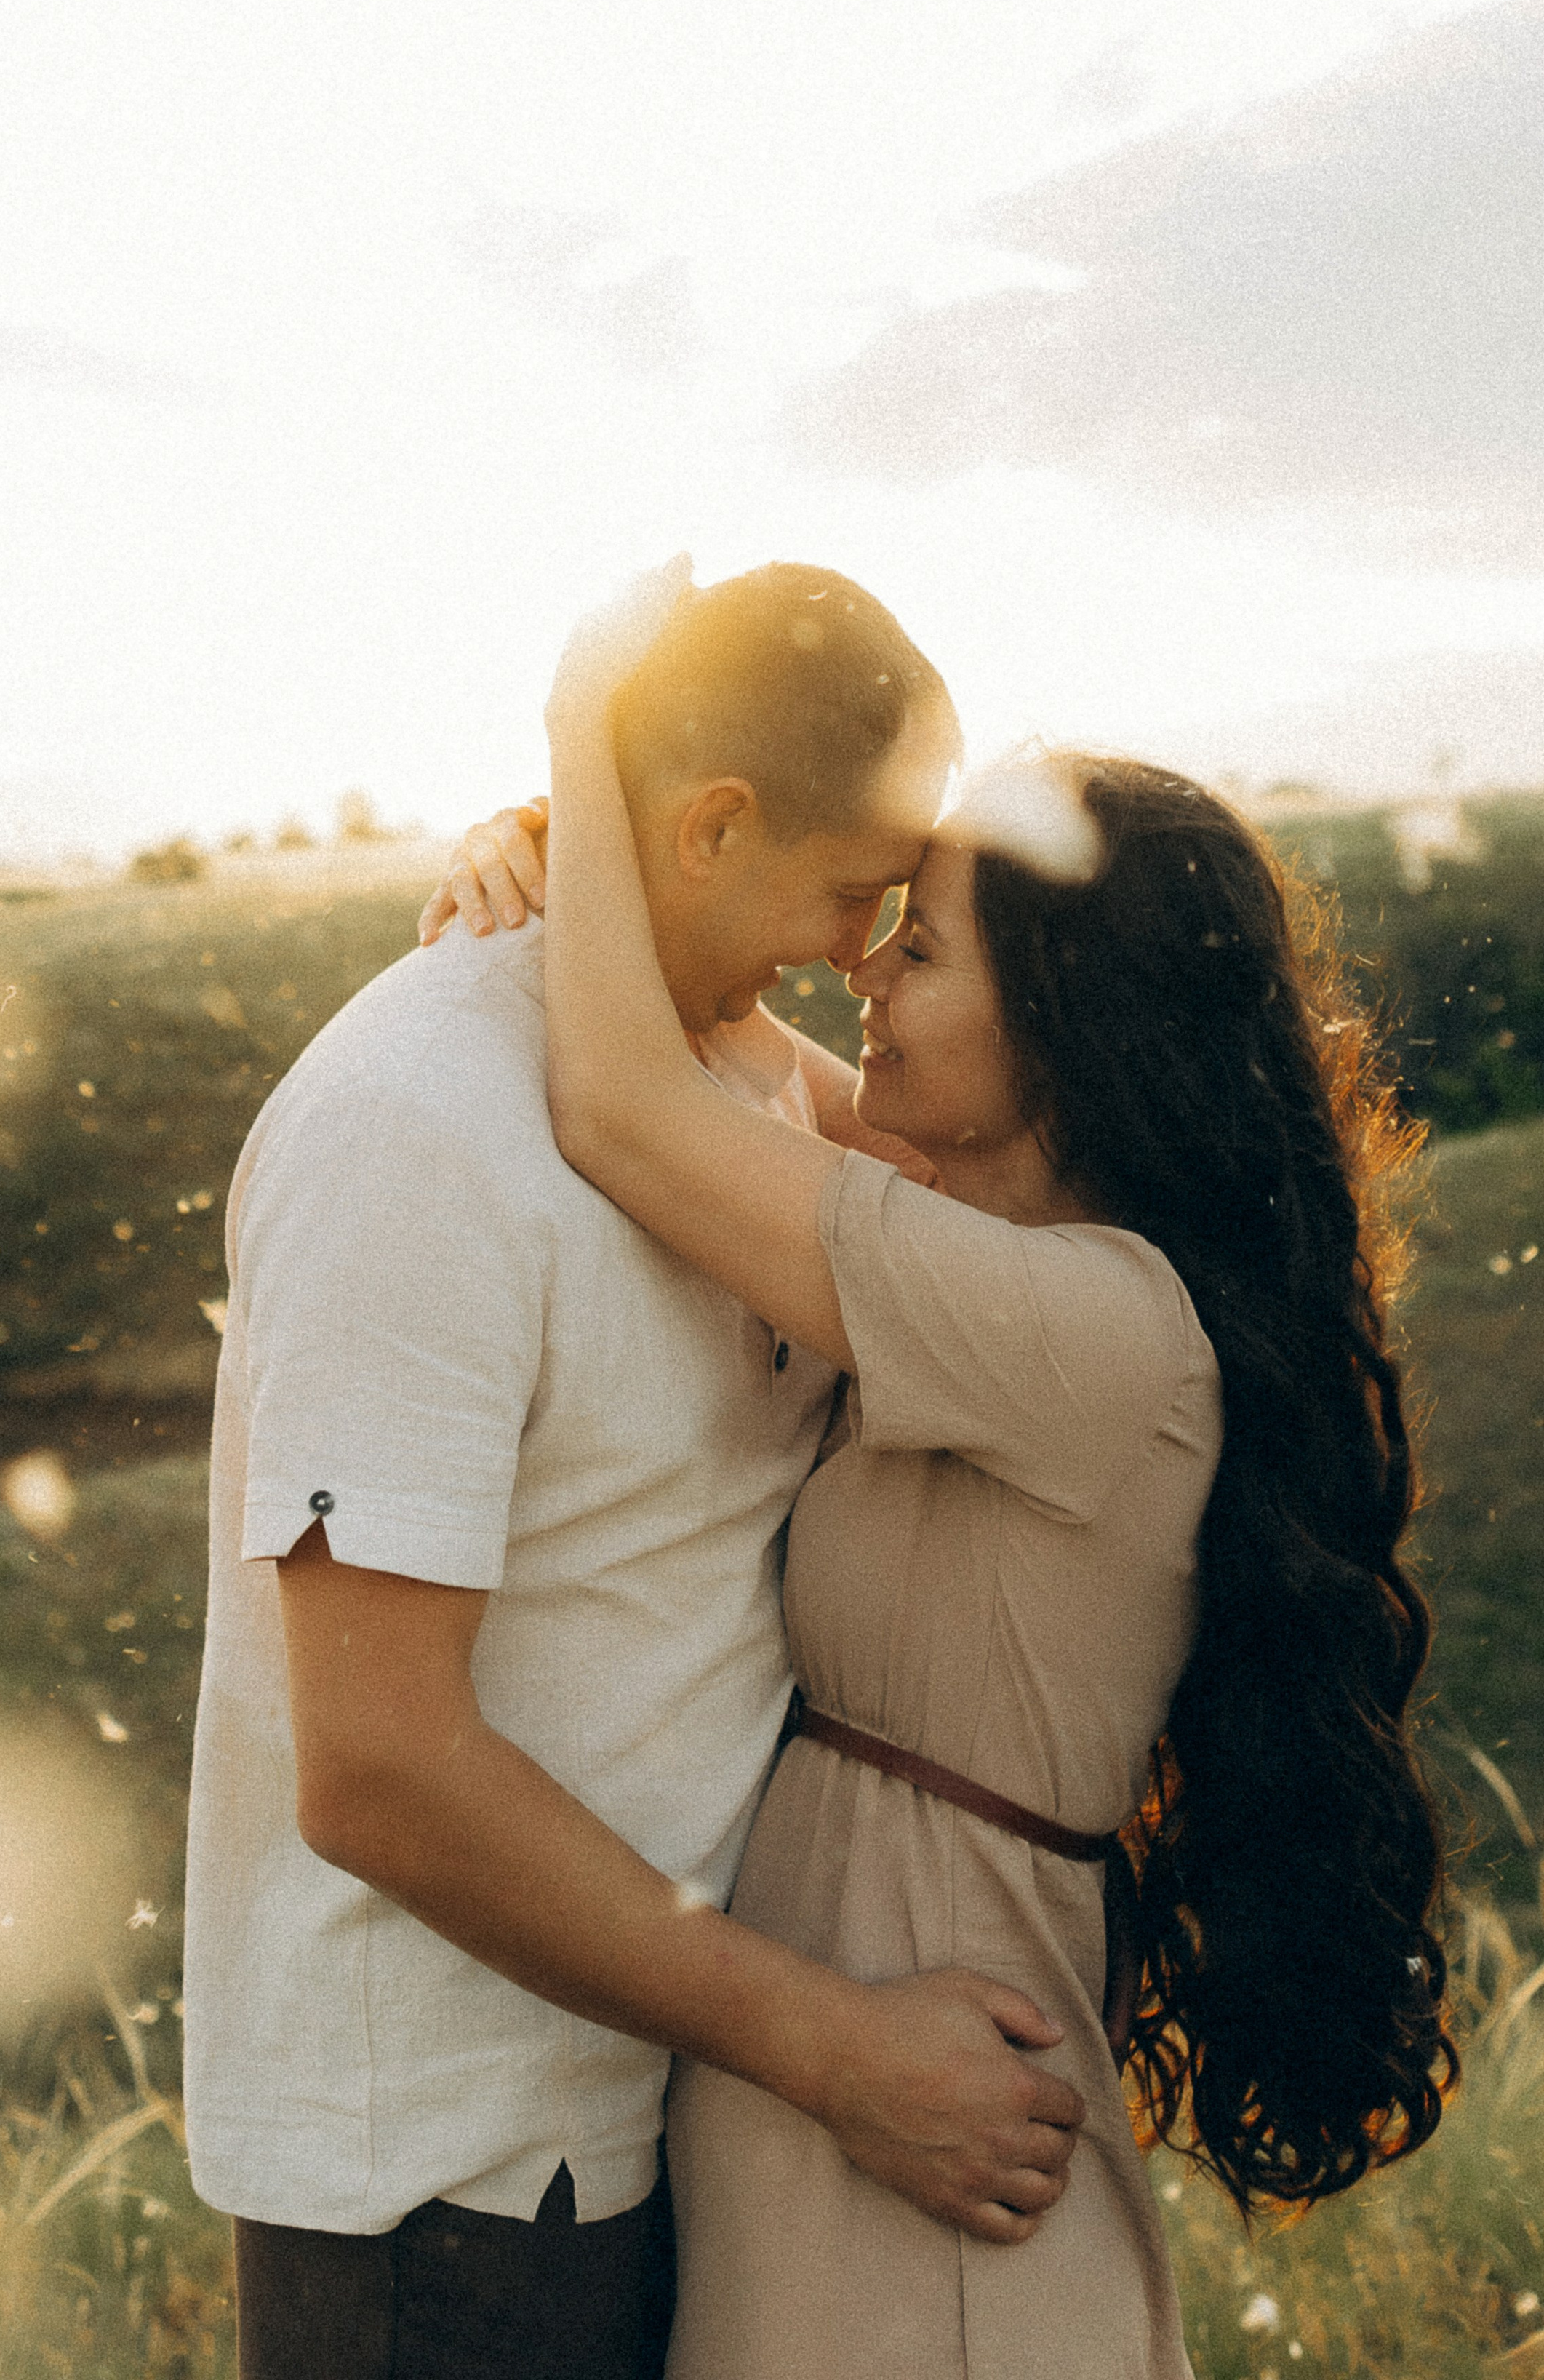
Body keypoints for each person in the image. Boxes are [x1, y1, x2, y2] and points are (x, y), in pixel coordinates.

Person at [438, 564, 1454, 2379]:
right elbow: (703, 1031)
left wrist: (587, 734)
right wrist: (566, 864)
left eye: (916, 950)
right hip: (867, 2099)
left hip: (924, 2150)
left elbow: (626, 1107)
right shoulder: (989, 1250)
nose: (861, 974)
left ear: (1061, 1025)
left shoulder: (1090, 1329)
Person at [183, 563, 1089, 2380]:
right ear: (711, 823)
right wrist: (835, 2048)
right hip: (449, 2182)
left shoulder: (724, 1079)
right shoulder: (411, 1131)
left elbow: (985, 1232)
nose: (855, 951)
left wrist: (578, 843)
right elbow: (377, 1770)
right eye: (849, 890)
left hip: (647, 2108)